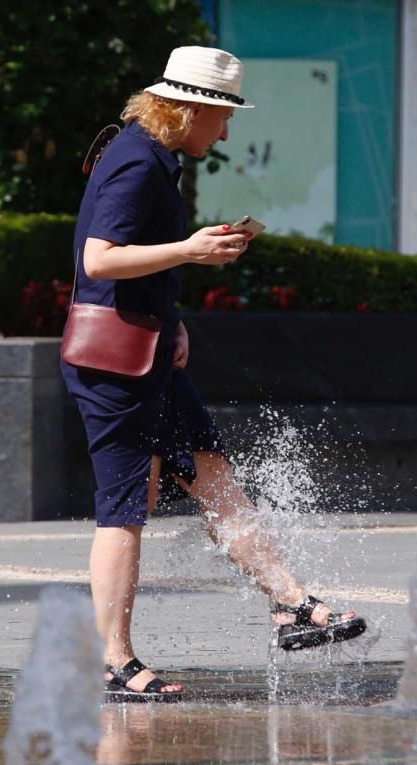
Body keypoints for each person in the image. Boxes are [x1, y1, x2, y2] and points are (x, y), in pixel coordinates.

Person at [61, 46, 366, 702]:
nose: (226, 132)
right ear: (190, 109)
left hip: (144, 350)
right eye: (221, 117)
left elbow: (129, 265)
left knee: (209, 466)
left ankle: (290, 605)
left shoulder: (151, 156)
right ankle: (111, 660)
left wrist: (171, 314)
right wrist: (190, 251)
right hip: (114, 366)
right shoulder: (139, 161)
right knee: (123, 511)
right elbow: (98, 260)